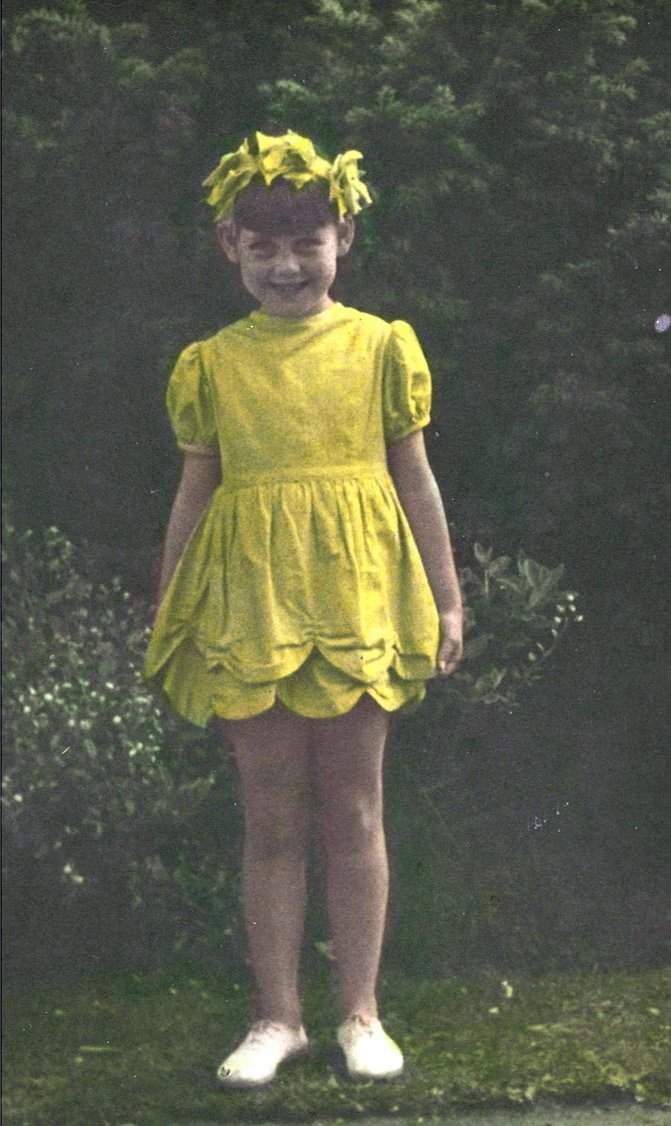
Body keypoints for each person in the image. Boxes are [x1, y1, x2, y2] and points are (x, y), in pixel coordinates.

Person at [144, 131, 463, 1088]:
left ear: (344, 236)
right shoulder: (212, 364)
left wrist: (446, 599)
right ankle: (276, 1018)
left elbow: (416, 482)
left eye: (307, 242)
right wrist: (171, 602)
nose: (286, 264)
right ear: (229, 246)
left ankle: (360, 1014)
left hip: (356, 597)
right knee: (270, 817)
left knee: (357, 807)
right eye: (263, 245)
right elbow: (195, 494)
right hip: (252, 603)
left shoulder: (378, 348)